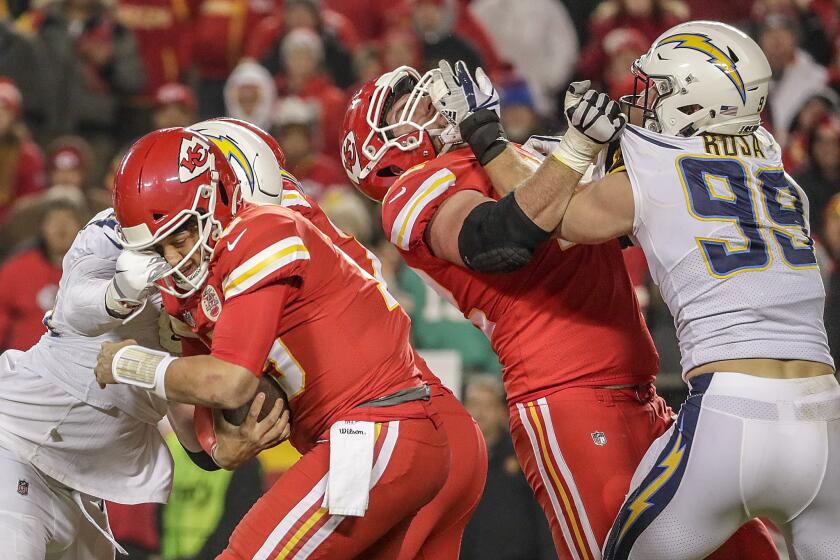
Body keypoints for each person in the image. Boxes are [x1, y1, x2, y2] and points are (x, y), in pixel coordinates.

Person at [340, 64, 778, 560]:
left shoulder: (510, 157)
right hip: (566, 394)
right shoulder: (412, 188)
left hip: (640, 394)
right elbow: (499, 242)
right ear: (382, 154)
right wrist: (541, 145)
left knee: (745, 551)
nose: (426, 103)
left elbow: (611, 224)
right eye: (404, 110)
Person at [442, 20, 839, 559]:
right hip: (825, 421)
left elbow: (546, 219)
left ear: (692, 102)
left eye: (657, 90)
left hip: (734, 413)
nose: (643, 102)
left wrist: (490, 138)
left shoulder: (659, 168)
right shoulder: (778, 170)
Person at [96, 125, 482, 559]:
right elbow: (204, 426)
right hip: (373, 433)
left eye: (181, 236)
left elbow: (230, 381)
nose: (173, 258)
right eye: (159, 246)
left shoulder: (264, 228)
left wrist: (129, 364)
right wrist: (224, 446)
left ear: (223, 192)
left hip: (375, 428)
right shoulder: (206, 274)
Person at [0, 197, 288, 558]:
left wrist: (221, 450)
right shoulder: (115, 230)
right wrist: (118, 294)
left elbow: (184, 404)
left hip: (81, 484)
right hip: (18, 445)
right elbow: (77, 303)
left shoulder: (216, 278)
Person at [0, 200, 82, 351]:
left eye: (68, 220)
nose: (61, 226)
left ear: (81, 230)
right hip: (23, 364)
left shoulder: (96, 270)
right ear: (42, 229)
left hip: (76, 364)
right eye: (54, 221)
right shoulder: (17, 268)